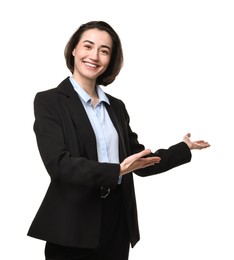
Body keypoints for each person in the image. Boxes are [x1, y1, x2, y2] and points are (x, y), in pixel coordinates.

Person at [27, 21, 210, 260]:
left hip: (117, 220)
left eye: (104, 50)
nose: (94, 56)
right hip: (73, 224)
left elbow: (137, 160)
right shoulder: (49, 101)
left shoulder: (116, 107)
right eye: (88, 46)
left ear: (110, 59)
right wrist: (117, 170)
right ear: (74, 49)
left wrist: (183, 148)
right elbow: (59, 165)